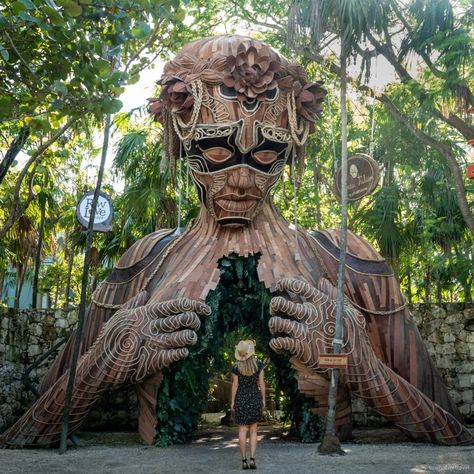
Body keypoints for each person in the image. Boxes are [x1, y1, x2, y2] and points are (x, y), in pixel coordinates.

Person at [231, 340, 266, 470]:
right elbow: (262, 384)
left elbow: (235, 385)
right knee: (253, 431)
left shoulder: (236, 367)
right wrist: (263, 400)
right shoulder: (259, 365)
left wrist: (232, 402)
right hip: (255, 400)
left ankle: (244, 461)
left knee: (242, 431)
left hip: (241, 400)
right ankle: (252, 459)